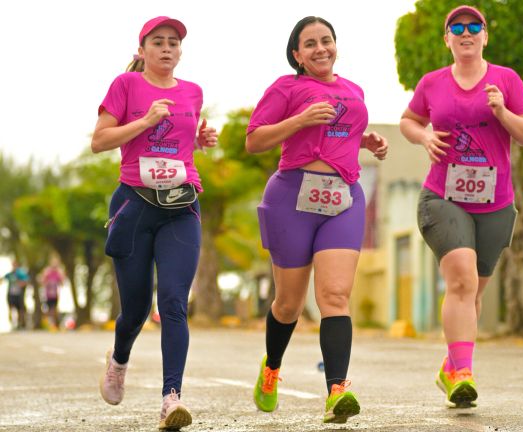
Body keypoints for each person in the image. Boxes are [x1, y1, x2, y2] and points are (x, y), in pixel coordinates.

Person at [246, 16, 388, 424]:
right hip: (292, 195)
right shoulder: (286, 88)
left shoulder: (352, 90)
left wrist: (367, 140)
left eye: (327, 40)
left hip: (343, 196)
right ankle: (271, 368)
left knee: (335, 296)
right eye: (310, 44)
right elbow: (254, 139)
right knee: (289, 303)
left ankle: (337, 391)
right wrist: (299, 120)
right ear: (297, 55)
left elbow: (341, 131)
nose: (320, 48)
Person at [399, 5, 523, 409]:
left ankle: (451, 365)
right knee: (460, 280)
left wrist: (502, 111)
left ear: (484, 36)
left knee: (473, 294)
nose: (465, 32)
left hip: (495, 202)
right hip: (443, 196)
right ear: (447, 39)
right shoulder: (432, 83)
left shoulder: (506, 80)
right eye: (456, 27)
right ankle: (463, 375)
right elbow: (408, 120)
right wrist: (422, 135)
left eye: (473, 26)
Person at [91, 16, 217, 431]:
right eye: (158, 42)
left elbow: (183, 136)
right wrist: (144, 122)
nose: (167, 49)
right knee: (136, 310)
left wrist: (200, 139)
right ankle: (119, 359)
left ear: (181, 52)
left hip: (181, 203)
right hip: (134, 205)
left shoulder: (193, 91)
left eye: (174, 43)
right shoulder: (125, 86)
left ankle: (171, 398)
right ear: (142, 50)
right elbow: (100, 141)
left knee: (174, 303)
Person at [40, 257, 65, 330]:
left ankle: (54, 324)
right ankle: (49, 323)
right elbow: (42, 281)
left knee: (54, 310)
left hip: (55, 294)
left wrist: (60, 275)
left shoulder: (58, 273)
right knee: (49, 310)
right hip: (47, 294)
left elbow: (62, 282)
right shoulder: (47, 272)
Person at [4, 260, 29, 330]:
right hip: (11, 294)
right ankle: (12, 322)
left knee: (20, 309)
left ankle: (19, 323)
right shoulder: (10, 274)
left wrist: (19, 282)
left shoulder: (21, 273)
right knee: (11, 308)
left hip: (18, 294)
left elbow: (26, 281)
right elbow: (3, 279)